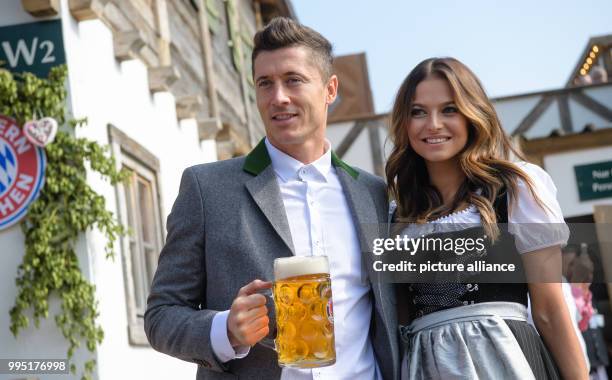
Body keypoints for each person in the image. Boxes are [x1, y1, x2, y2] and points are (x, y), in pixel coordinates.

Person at [144, 17, 399, 380]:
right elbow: (161, 316)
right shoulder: (206, 188)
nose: (278, 97)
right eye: (266, 84)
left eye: (293, 80)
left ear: (330, 89)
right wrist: (224, 330)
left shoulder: (373, 193)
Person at [385, 57, 588, 379]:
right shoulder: (399, 215)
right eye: (418, 111)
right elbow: (399, 317)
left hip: (506, 358)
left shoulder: (516, 189)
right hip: (425, 365)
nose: (433, 123)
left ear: (472, 114)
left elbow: (549, 310)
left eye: (449, 109)